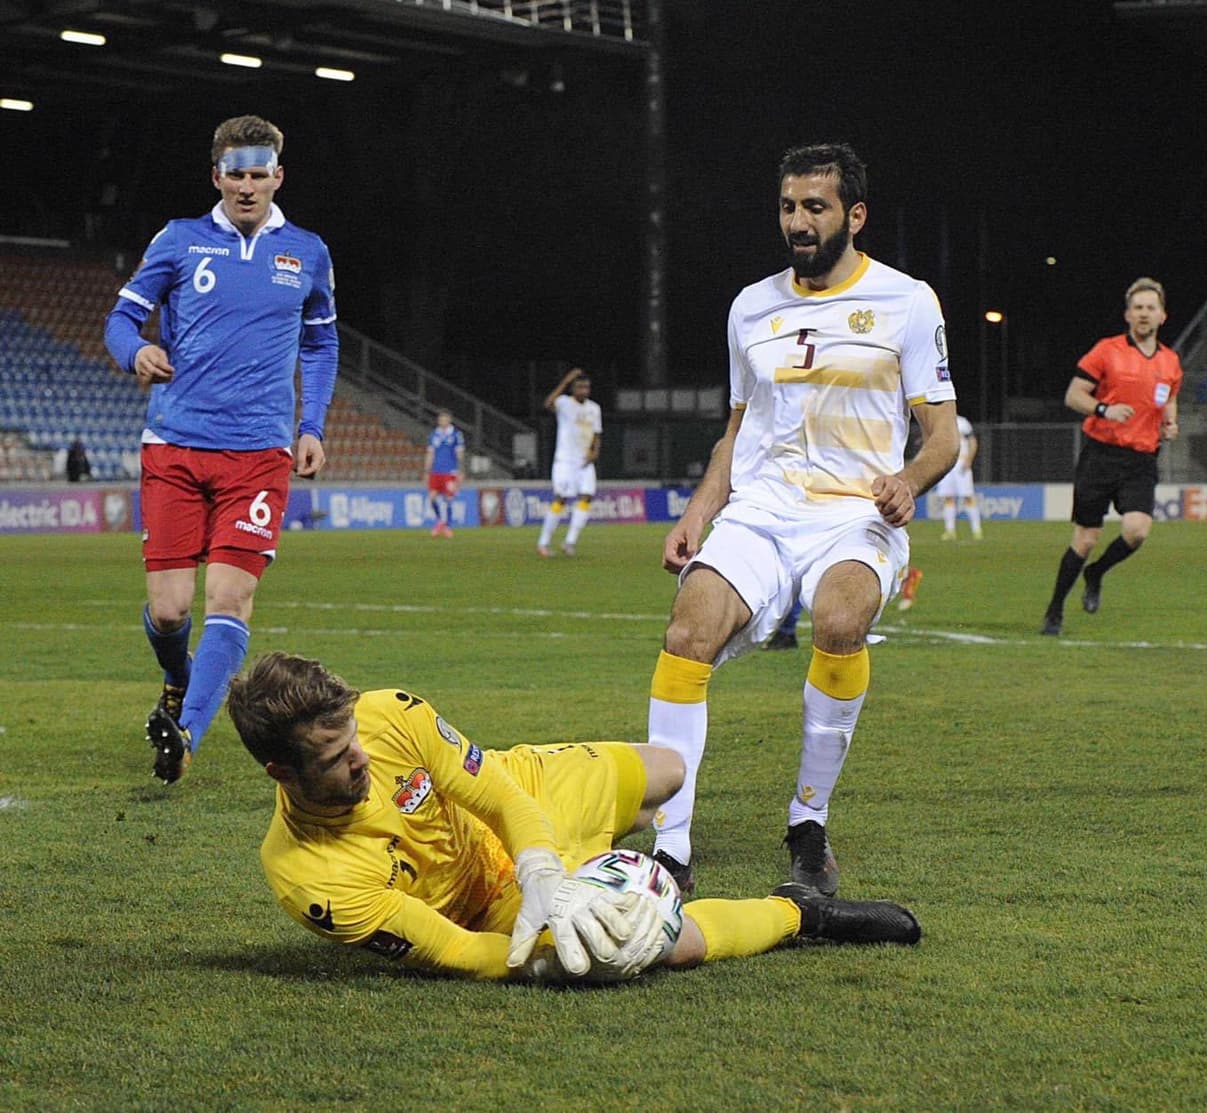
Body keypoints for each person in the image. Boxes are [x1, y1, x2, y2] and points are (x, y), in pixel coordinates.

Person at [644, 143, 960, 898]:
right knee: (687, 632)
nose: (798, 221)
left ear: (854, 215)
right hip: (761, 511)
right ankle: (671, 848)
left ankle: (807, 822)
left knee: (840, 617)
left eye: (814, 207)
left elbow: (944, 433)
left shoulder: (907, 300)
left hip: (855, 514)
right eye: (788, 206)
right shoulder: (750, 306)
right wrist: (699, 511)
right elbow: (737, 427)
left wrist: (909, 480)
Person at [224, 651, 921, 983]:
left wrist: (540, 862)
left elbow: (499, 796)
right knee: (643, 945)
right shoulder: (308, 878)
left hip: (522, 800)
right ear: (280, 771)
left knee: (669, 777)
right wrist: (546, 960)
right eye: (337, 758)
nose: (361, 761)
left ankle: (593, 852)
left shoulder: (389, 714)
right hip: (491, 907)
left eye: (354, 740)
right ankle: (799, 912)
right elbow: (456, 950)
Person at [104, 114, 338, 784]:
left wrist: (311, 425)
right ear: (217, 176)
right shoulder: (179, 241)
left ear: (277, 176)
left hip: (259, 454)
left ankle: (184, 733)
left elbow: (321, 344)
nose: (246, 185)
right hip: (175, 447)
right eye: (235, 173)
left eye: (258, 173)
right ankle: (178, 682)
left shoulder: (307, 252)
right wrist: (136, 350)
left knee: (230, 601)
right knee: (171, 609)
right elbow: (121, 318)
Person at [1040, 277, 1182, 636]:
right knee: (1085, 539)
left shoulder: (1170, 361)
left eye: (1151, 307)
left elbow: (1169, 398)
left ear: (1162, 315)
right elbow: (1074, 395)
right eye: (1138, 308)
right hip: (1100, 455)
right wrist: (1103, 409)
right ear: (1128, 315)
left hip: (1141, 460)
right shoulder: (1107, 350)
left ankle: (1097, 573)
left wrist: (1170, 423)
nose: (1144, 313)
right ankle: (1055, 610)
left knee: (1137, 531)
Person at [536, 367, 602, 557]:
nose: (584, 391)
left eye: (586, 387)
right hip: (565, 461)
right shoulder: (564, 403)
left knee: (587, 496)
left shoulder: (593, 408)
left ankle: (569, 541)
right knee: (561, 499)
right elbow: (548, 404)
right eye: (580, 387)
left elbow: (597, 433)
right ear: (573, 389)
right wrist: (565, 381)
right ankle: (543, 543)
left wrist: (594, 452)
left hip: (584, 461)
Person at [935, 414, 982, 541]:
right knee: (948, 498)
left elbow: (972, 441)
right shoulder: (939, 421)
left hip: (961, 464)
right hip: (946, 464)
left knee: (968, 496)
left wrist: (969, 460)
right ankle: (950, 531)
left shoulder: (962, 422)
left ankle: (976, 530)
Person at [423, 409, 465, 538]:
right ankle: (441, 521)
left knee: (448, 499)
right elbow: (430, 454)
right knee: (432, 498)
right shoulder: (433, 435)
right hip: (436, 471)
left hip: (450, 471)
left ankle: (448, 527)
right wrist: (426, 471)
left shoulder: (456, 435)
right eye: (440, 418)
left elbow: (460, 454)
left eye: (445, 418)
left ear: (449, 420)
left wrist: (461, 471)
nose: (442, 421)